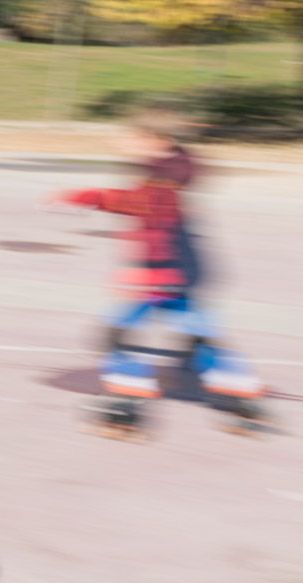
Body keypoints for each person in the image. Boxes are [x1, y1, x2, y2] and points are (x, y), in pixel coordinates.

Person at [49, 107, 267, 435]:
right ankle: (242, 398)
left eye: (129, 137)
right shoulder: (170, 168)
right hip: (184, 275)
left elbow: (144, 213)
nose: (121, 142)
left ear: (154, 140)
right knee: (200, 339)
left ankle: (124, 408)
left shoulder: (162, 180)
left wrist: (88, 196)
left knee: (117, 335)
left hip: (164, 275)